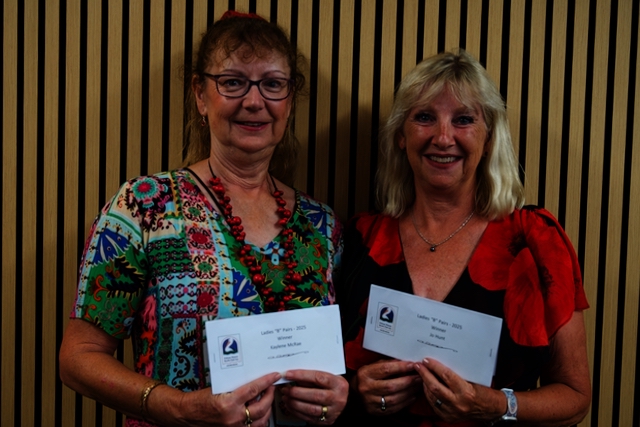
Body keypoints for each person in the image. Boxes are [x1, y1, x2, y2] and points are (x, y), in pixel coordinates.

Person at [59, 11, 347, 427]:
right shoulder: (145, 206)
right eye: (232, 82)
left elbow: (331, 364)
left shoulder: (323, 227)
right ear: (200, 94)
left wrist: (335, 396)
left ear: (289, 99)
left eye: (272, 84)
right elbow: (78, 358)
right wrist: (177, 407)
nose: (254, 101)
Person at [336, 50, 591, 426]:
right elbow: (323, 380)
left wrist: (498, 404)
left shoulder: (534, 239)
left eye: (464, 120)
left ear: (489, 139)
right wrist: (356, 389)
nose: (443, 138)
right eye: (425, 117)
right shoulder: (361, 238)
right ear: (401, 136)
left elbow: (576, 398)